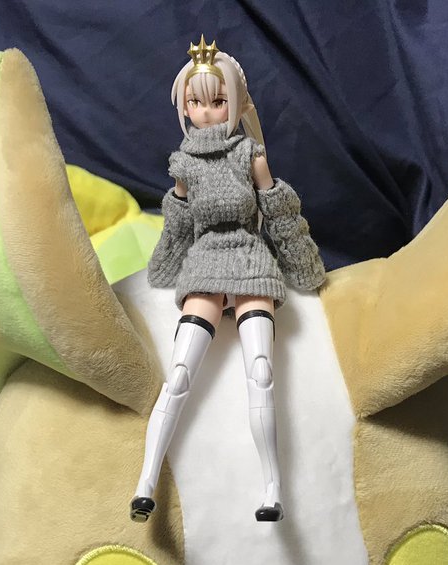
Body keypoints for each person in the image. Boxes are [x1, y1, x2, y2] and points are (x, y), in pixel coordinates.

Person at [131, 36, 325, 524]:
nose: (207, 111)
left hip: (251, 258)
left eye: (218, 101)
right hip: (205, 262)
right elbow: (178, 227)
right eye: (196, 103)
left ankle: (272, 486)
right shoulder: (184, 166)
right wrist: (162, 267)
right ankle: (146, 481)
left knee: (261, 370)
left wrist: (303, 266)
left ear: (236, 105)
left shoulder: (250, 155)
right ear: (184, 107)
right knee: (180, 374)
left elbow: (279, 214)